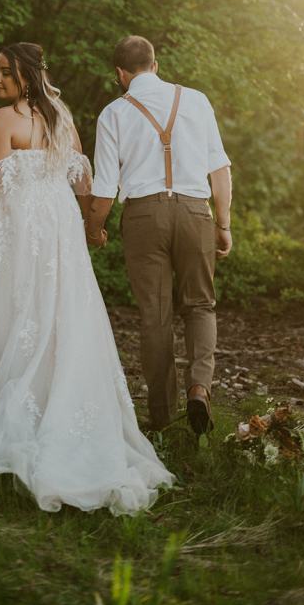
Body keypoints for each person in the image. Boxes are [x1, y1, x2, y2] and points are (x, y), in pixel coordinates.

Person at [0, 42, 175, 515]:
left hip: (18, 227)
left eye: (4, 72)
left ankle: (8, 411)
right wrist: (88, 225)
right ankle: (44, 403)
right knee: (55, 314)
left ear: (25, 74)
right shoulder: (62, 117)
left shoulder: (5, 121)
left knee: (10, 312)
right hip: (58, 229)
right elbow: (82, 179)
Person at [84, 36, 232, 436]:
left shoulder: (113, 113)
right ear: (156, 63)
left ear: (120, 73)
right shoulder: (196, 101)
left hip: (144, 215)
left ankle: (163, 417)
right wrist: (223, 224)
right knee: (200, 305)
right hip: (194, 211)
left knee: (155, 316)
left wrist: (92, 229)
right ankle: (200, 387)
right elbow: (219, 169)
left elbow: (104, 189)